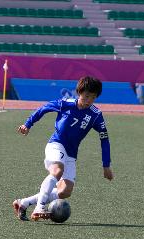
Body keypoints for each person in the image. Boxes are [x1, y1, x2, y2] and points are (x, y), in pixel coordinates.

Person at [12, 76, 114, 221]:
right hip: (56, 144)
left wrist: (106, 165)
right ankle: (39, 207)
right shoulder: (65, 103)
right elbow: (44, 108)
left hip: (71, 154)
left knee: (65, 191)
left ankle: (23, 203)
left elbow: (104, 139)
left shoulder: (96, 115)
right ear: (79, 92)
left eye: (93, 97)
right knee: (57, 170)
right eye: (86, 96)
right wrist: (28, 124)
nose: (89, 100)